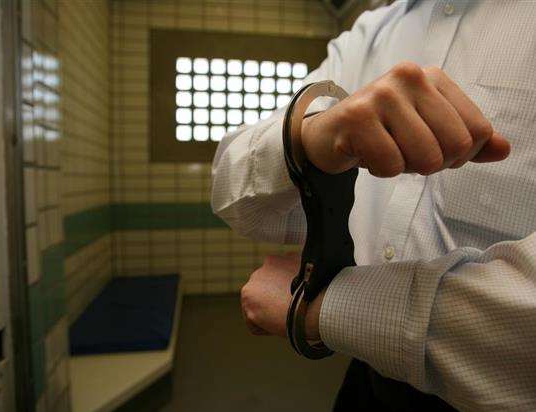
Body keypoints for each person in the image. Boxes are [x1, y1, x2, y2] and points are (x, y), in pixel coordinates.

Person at [211, 0, 536, 410]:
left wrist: (323, 307)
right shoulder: (374, 29)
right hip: (366, 385)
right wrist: (311, 138)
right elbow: (230, 189)